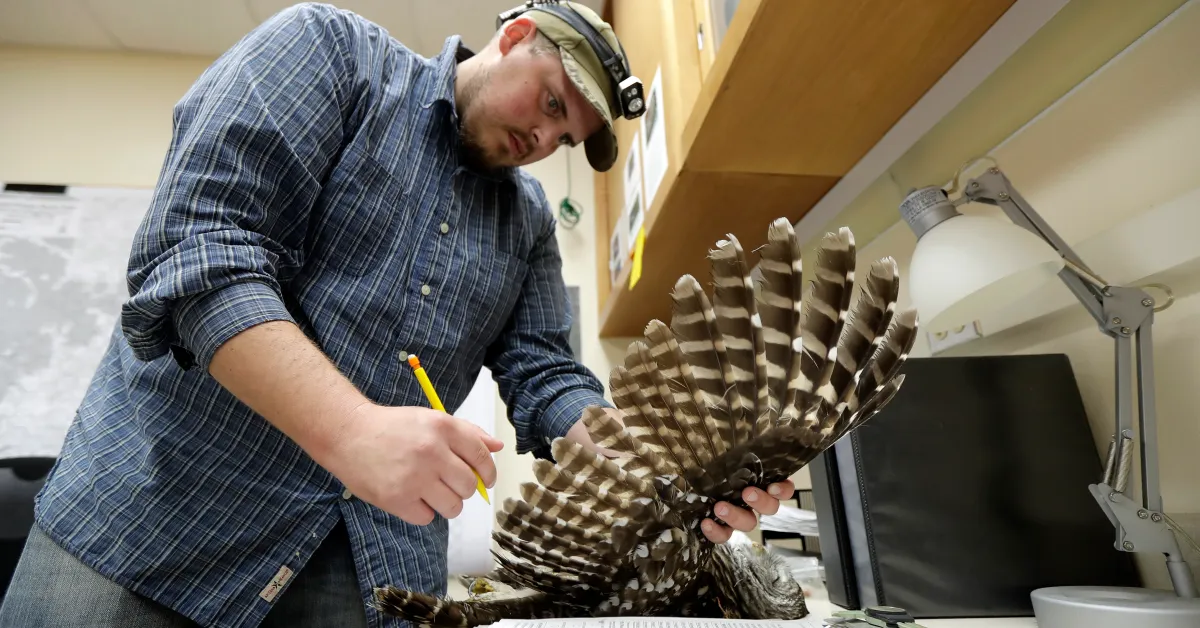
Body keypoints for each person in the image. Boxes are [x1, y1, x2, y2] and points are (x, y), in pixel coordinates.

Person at [0, 2, 794, 627]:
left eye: (564, 134)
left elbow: (545, 372)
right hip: (156, 529)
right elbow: (201, 252)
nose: (543, 136)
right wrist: (350, 430)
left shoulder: (527, 224)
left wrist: (652, 466)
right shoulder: (328, 55)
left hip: (367, 570)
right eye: (551, 101)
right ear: (514, 33)